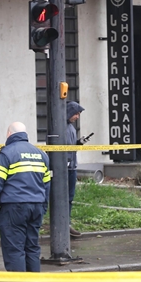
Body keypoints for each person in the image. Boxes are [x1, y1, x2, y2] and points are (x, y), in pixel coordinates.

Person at [0, 122, 51, 282]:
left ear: (9, 133)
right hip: (36, 206)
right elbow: (47, 183)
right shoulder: (40, 154)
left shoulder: (7, 153)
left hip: (14, 206)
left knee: (15, 249)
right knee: (32, 248)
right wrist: (44, 204)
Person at [66, 101, 86, 238]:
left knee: (69, 197)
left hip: (72, 167)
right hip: (64, 168)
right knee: (63, 197)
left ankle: (66, 223)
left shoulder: (71, 128)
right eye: (76, 114)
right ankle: (62, 224)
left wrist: (78, 143)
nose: (77, 117)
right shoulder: (60, 128)